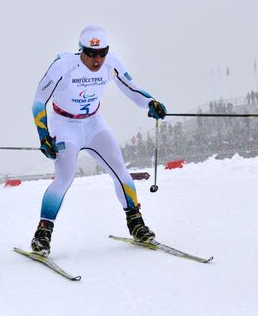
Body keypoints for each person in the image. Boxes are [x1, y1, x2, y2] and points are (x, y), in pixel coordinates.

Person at [30, 25, 167, 256]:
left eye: (102, 53)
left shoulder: (111, 63)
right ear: (81, 50)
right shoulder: (64, 65)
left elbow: (133, 90)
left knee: (120, 169)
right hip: (64, 125)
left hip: (94, 124)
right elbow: (38, 100)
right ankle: (42, 233)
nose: (97, 59)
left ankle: (136, 223)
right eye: (91, 53)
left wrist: (151, 103)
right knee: (65, 176)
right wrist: (43, 135)